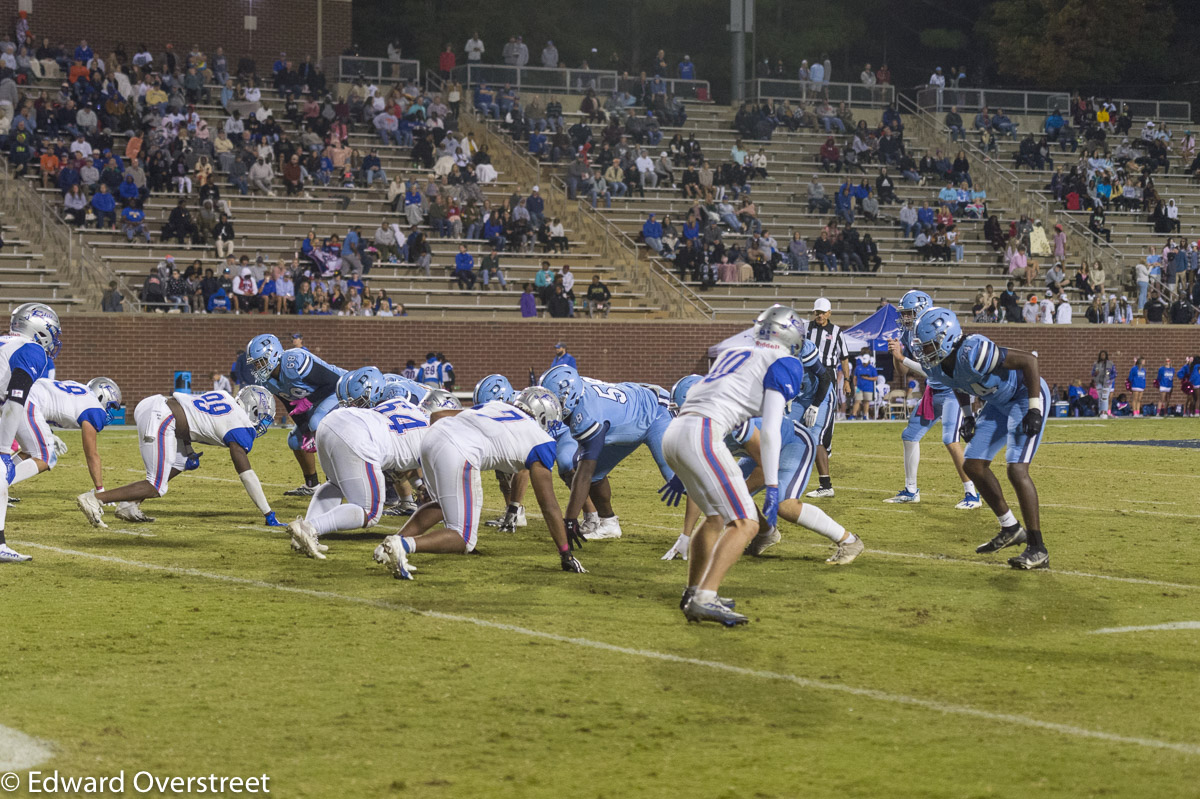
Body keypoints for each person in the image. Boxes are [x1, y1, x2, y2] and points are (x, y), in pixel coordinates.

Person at [660, 306, 856, 626]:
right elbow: (768, 428)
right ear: (791, 336)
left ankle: (693, 590)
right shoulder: (785, 361)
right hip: (705, 432)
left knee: (714, 518)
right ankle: (705, 598)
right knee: (746, 523)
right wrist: (774, 485)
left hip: (677, 430)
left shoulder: (734, 350)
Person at [372, 387, 586, 579]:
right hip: (458, 449)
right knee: (463, 537)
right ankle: (403, 545)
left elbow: (438, 415)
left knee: (441, 505)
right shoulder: (542, 440)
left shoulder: (497, 406)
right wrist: (565, 552)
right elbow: (548, 505)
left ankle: (388, 545)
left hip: (431, 438)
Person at [912, 308, 1050, 570]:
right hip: (997, 403)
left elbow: (1029, 361)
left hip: (1024, 395)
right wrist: (967, 415)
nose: (924, 352)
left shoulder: (973, 350)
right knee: (972, 465)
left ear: (947, 338)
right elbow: (957, 382)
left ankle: (1037, 548)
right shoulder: (939, 365)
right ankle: (1010, 527)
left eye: (929, 345)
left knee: (1016, 469)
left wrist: (1034, 407)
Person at [76, 386, 282, 530]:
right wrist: (267, 512)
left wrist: (188, 450)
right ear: (254, 411)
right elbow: (246, 473)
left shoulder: (225, 396)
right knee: (155, 485)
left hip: (157, 406)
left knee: (182, 461)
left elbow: (194, 414)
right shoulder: (242, 427)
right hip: (162, 416)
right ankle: (95, 499)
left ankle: (129, 505)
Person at [288, 373, 427, 559]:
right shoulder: (434, 433)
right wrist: (424, 487)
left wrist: (420, 485)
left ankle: (302, 535)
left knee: (336, 484)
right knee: (369, 512)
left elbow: (405, 458)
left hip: (331, 422)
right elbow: (415, 464)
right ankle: (309, 528)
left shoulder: (404, 407)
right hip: (359, 436)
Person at [539, 365, 678, 543]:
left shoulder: (587, 415)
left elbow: (584, 474)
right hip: (627, 420)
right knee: (594, 472)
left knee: (676, 479)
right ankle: (609, 523)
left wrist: (570, 518)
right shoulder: (577, 391)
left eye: (555, 402)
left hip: (655, 413)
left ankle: (716, 517)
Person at [883, 291, 980, 509]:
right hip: (933, 392)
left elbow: (935, 372)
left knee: (950, 440)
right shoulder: (910, 333)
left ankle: (972, 493)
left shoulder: (937, 328)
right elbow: (902, 371)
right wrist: (896, 355)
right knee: (909, 435)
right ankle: (910, 490)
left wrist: (903, 357)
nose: (904, 318)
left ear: (919, 311)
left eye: (907, 314)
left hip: (952, 391)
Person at [246, 334, 347, 496]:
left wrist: (309, 402)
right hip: (316, 402)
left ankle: (337, 482)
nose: (258, 367)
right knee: (295, 440)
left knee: (316, 422)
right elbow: (291, 405)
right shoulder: (267, 380)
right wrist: (304, 428)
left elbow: (333, 382)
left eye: (261, 361)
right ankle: (312, 484)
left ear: (273, 354)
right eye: (256, 363)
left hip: (340, 391)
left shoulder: (294, 361)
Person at [0, 305, 62, 561]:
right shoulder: (32, 349)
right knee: (1, 473)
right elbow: (15, 401)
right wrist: (4, 451)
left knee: (40, 455)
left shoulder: (6, 342)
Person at [11, 377, 120, 504]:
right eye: (111, 405)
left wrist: (50, 434)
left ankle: (3, 477)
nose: (109, 410)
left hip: (17, 392)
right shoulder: (94, 408)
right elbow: (91, 454)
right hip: (29, 401)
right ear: (102, 395)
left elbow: (51, 402)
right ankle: (3, 482)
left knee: (30, 450)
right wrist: (101, 490)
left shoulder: (80, 389)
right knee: (47, 457)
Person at [803, 298, 850, 499]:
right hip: (807, 378)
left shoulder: (837, 332)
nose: (819, 315)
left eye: (822, 312)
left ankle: (825, 482)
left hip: (827, 377)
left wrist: (847, 380)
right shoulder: (805, 329)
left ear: (829, 313)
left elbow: (844, 358)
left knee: (821, 432)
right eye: (816, 312)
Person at [1091, 351, 1117, 418]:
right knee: (1100, 398)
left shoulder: (1110, 363)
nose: (1103, 356)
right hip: (1098, 382)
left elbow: (1115, 373)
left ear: (1106, 355)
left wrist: (1109, 378)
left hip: (1107, 383)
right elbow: (1092, 373)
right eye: (1101, 355)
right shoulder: (1096, 364)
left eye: (1104, 355)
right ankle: (1100, 411)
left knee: (1105, 397)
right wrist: (1095, 374)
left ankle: (1105, 412)